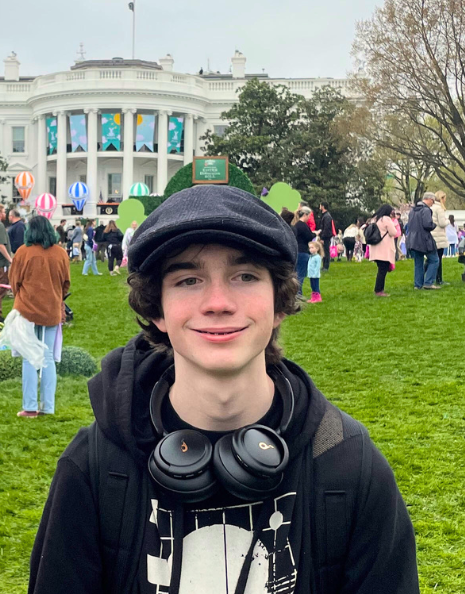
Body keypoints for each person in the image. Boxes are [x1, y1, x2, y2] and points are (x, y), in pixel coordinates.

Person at [28, 184, 418, 594]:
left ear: (280, 302)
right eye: (188, 279)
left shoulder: (351, 465)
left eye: (245, 276)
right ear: (156, 309)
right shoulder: (91, 470)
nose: (217, 302)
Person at [10, 216, 71, 418]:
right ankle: (48, 407)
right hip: (51, 310)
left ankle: (29, 406)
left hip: (26, 309)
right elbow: (66, 283)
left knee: (29, 358)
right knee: (47, 359)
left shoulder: (22, 253)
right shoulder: (61, 254)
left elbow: (14, 281)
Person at [406, 193, 440, 290]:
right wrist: (434, 225)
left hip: (412, 239)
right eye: (433, 201)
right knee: (434, 260)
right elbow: (427, 225)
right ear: (429, 199)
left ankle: (418, 284)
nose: (432, 204)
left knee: (418, 263)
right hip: (424, 239)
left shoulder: (412, 210)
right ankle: (428, 282)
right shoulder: (426, 210)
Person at [367, 204, 399, 296]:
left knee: (381, 269)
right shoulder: (386, 219)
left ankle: (378, 289)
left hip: (375, 248)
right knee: (382, 270)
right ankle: (379, 290)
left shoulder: (375, 219)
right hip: (383, 249)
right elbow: (393, 232)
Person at [292, 209, 316, 290]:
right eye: (309, 216)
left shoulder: (296, 225)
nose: (309, 218)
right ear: (305, 214)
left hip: (296, 251)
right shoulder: (303, 226)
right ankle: (299, 293)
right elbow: (308, 237)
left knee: (296, 273)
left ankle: (295, 293)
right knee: (301, 275)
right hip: (303, 251)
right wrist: (314, 234)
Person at [431, 191, 449, 285]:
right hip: (439, 236)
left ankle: (428, 277)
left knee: (432, 258)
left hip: (432, 235)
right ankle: (439, 279)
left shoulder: (431, 208)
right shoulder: (439, 209)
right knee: (438, 258)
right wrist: (448, 221)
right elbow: (442, 223)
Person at [316, 201, 336, 271]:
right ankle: (324, 265)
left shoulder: (327, 216)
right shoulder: (325, 216)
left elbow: (326, 228)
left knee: (326, 251)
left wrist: (323, 238)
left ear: (323, 206)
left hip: (325, 237)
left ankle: (326, 266)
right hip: (325, 236)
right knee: (324, 251)